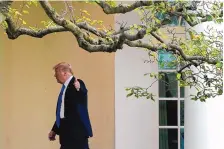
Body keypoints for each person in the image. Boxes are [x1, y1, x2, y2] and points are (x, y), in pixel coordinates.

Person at [48, 62, 93, 149]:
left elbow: (83, 93)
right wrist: (54, 130)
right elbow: (62, 113)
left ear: (64, 73)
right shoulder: (64, 89)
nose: (55, 76)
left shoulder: (77, 83)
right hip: (66, 135)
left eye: (56, 72)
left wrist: (79, 88)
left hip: (77, 135)